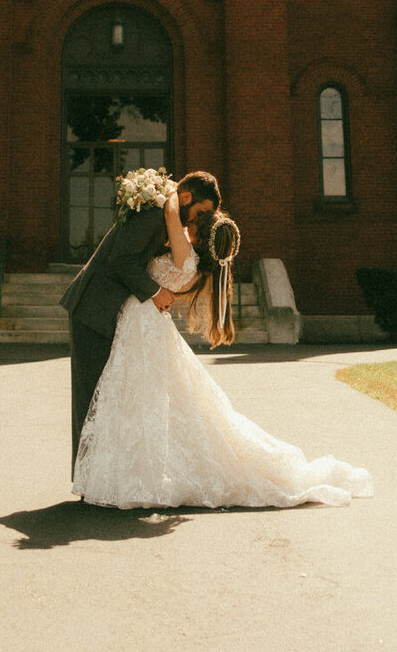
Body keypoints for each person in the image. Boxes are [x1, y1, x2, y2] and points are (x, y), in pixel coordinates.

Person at [73, 187, 373, 510]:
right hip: (142, 322)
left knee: (137, 399)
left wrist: (170, 193)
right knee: (143, 400)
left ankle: (123, 473)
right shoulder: (192, 263)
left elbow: (172, 214)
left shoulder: (183, 252)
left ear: (200, 235)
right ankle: (125, 471)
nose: (194, 220)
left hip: (142, 321)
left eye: (200, 219)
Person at [60, 170, 221, 466]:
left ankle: (100, 473)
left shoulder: (166, 216)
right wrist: (155, 292)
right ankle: (87, 475)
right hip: (94, 307)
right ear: (186, 198)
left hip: (114, 312)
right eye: (200, 212)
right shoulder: (152, 215)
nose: (197, 220)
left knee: (108, 395)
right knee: (91, 397)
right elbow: (120, 259)